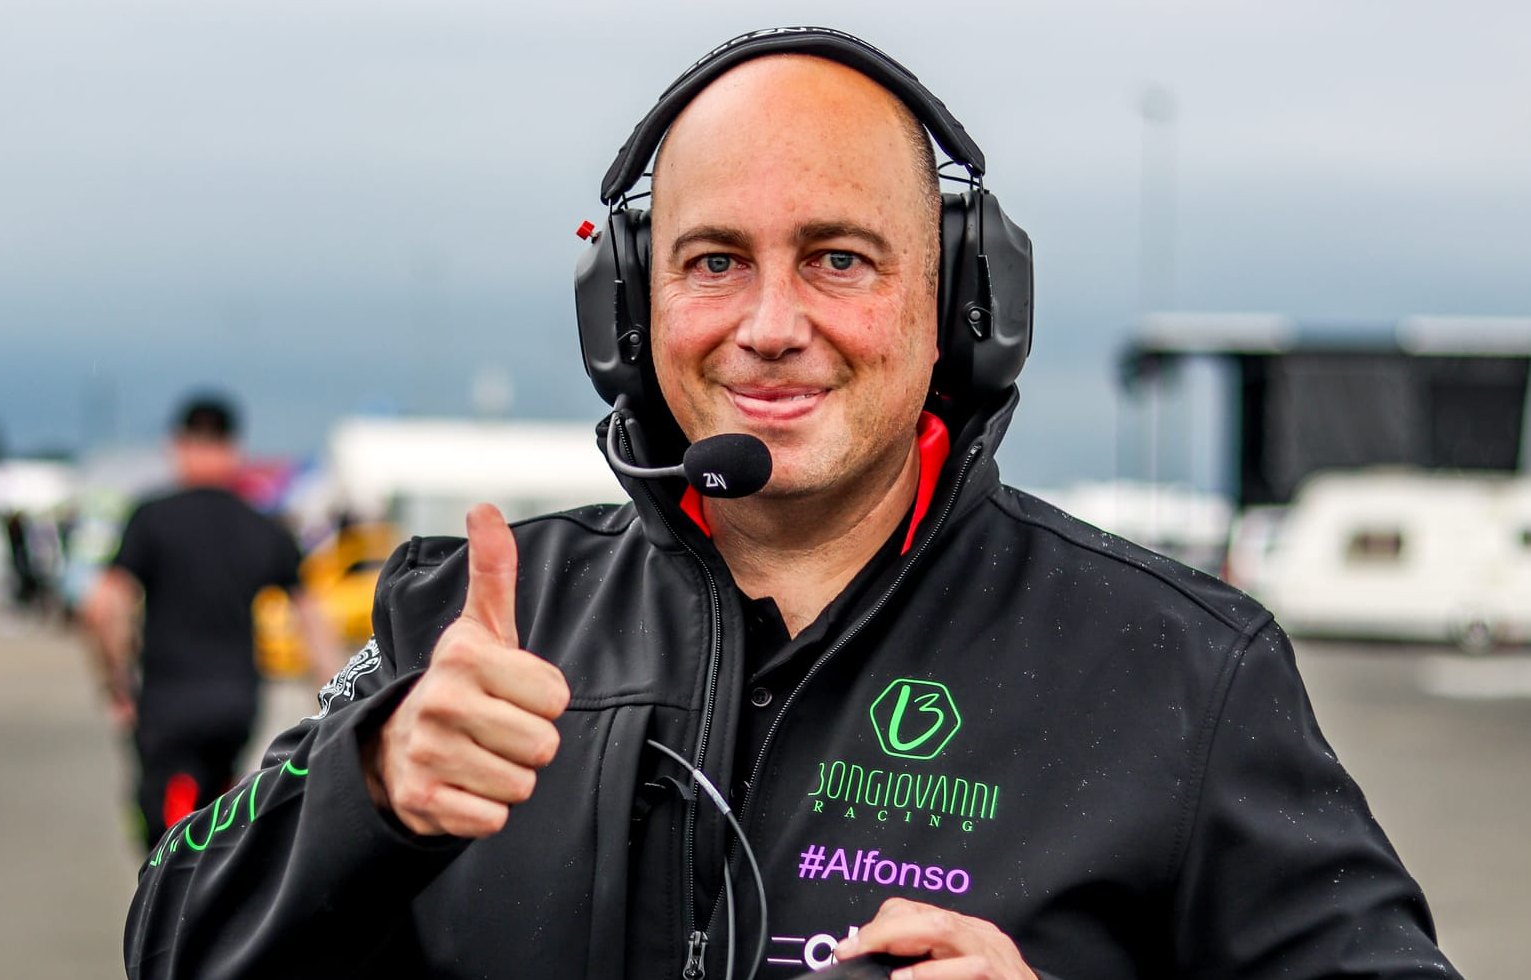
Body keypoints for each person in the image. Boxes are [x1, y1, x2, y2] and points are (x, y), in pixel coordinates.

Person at [124, 29, 1458, 980]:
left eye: (837, 258)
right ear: (626, 309)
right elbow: (169, 933)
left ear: (959, 306)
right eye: (713, 261)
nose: (769, 326)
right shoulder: (470, 627)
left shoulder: (1174, 667)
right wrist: (368, 790)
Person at [83, 394, 338, 852]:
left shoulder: (151, 519)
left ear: (179, 445)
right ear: (234, 449)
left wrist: (117, 684)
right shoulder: (263, 526)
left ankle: (168, 886)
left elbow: (103, 608)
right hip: (234, 704)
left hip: (166, 702)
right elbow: (311, 618)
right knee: (217, 821)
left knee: (162, 835)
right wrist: (333, 700)